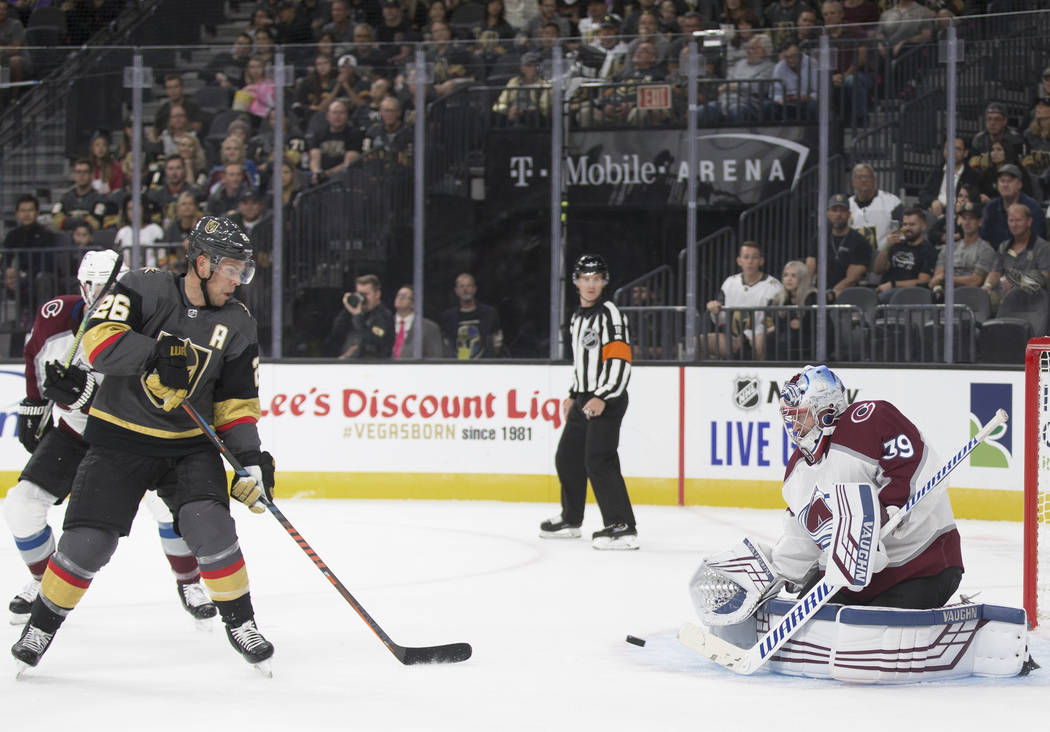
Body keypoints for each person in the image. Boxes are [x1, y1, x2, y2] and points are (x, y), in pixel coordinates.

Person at [11, 216, 277, 672]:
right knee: (87, 543)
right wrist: (156, 353)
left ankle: (243, 622)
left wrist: (250, 458)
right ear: (202, 263)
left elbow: (235, 403)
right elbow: (97, 341)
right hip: (118, 441)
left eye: (243, 271)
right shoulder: (143, 287)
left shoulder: (238, 324)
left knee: (209, 527)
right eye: (232, 269)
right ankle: (41, 626)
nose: (238, 280)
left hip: (189, 448)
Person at [4, 250, 216, 628]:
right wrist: (34, 403)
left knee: (168, 510)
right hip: (73, 434)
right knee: (22, 503)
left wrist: (87, 397)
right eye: (95, 286)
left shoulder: (146, 320)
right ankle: (43, 580)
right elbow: (34, 354)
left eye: (111, 287)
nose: (102, 294)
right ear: (82, 285)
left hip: (130, 437)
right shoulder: (55, 316)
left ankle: (189, 582)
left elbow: (145, 397)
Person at [772, 364, 963, 608]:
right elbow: (802, 537)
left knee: (880, 628)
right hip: (851, 580)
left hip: (921, 566)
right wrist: (778, 574)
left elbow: (918, 469)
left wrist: (880, 520)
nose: (795, 427)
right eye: (790, 418)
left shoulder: (872, 421)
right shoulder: (797, 472)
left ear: (826, 411)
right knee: (809, 621)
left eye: (801, 415)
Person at [539, 254, 637, 550]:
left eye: (596, 278)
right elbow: (583, 364)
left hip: (608, 398)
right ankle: (571, 519)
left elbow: (620, 361)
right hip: (585, 398)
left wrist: (603, 396)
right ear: (576, 282)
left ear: (604, 281)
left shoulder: (610, 314)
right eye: (585, 278)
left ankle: (622, 527)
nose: (591, 284)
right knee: (567, 457)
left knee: (599, 459)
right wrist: (573, 393)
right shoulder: (577, 317)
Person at [704, 241, 783, 360]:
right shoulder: (730, 282)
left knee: (760, 343)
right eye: (746, 257)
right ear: (739, 260)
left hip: (759, 338)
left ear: (761, 261)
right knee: (699, 342)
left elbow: (772, 321)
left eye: (754, 257)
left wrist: (750, 336)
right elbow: (720, 320)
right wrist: (714, 310)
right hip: (731, 339)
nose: (750, 261)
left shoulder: (774, 286)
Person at [982, 202, 1050, 307]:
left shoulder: (1042, 247)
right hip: (1004, 301)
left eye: (1018, 220)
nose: (1014, 224)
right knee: (980, 299)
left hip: (1032, 303)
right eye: (1011, 220)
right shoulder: (1004, 246)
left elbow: (1045, 277)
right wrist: (987, 285)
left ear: (1029, 221)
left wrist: (1019, 283)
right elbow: (996, 272)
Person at [805, 193, 871, 299]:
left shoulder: (860, 241)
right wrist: (807, 291)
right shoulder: (819, 237)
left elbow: (852, 279)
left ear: (849, 214)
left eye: (842, 210)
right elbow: (809, 268)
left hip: (847, 294)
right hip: (819, 292)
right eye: (834, 210)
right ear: (828, 213)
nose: (838, 214)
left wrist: (829, 295)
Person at [929, 202, 996, 299]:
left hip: (972, 297)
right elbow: (937, 277)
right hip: (946, 296)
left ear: (980, 222)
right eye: (964, 218)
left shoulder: (986, 250)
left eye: (971, 218)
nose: (967, 222)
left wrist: (945, 278)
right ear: (960, 221)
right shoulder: (948, 248)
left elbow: (975, 280)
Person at [873, 207, 936, 302]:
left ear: (923, 226)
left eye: (912, 224)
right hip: (885, 290)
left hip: (911, 294)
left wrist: (893, 284)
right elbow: (877, 270)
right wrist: (886, 247)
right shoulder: (896, 245)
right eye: (905, 224)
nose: (907, 228)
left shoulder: (928, 250)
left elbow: (923, 281)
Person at [329, 273, 396, 360]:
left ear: (377, 294)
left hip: (374, 366)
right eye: (359, 294)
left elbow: (373, 341)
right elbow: (336, 332)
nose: (362, 299)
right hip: (349, 363)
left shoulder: (384, 316)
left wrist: (357, 316)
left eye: (366, 294)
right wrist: (347, 308)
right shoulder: (355, 312)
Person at [979, 163, 1045, 246]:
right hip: (995, 256)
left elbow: (1037, 243)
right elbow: (984, 238)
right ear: (997, 185)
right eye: (1002, 181)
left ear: (1019, 184)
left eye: (1009, 181)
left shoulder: (1032, 208)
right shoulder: (990, 207)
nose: (1005, 185)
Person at [442, 272, 503, 359]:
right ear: (456, 291)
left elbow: (497, 343)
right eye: (461, 286)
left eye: (469, 286)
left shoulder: (489, 313)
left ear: (475, 289)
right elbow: (446, 346)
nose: (465, 289)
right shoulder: (449, 316)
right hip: (458, 366)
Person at [767, 260, 817, 361]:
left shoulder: (812, 297)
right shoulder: (779, 298)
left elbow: (814, 322)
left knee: (789, 337)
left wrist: (801, 324)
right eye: (786, 275)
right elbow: (778, 322)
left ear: (802, 278)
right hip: (785, 336)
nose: (788, 279)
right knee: (772, 337)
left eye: (793, 276)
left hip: (809, 337)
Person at [847, 163, 903, 252]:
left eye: (867, 177)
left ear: (874, 180)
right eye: (859, 177)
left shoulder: (892, 202)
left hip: (884, 257)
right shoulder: (847, 205)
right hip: (853, 259)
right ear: (853, 182)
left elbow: (900, 233)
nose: (863, 180)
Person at [308, 98, 364, 186]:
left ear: (347, 116)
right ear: (328, 116)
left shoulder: (354, 134)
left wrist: (326, 174)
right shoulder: (319, 134)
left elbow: (348, 163)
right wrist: (317, 173)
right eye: (334, 112)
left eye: (341, 113)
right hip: (321, 179)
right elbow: (314, 158)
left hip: (344, 179)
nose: (337, 116)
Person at [392, 284, 443, 359]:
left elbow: (435, 357)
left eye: (403, 296)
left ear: (413, 303)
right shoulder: (385, 323)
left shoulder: (429, 328)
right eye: (398, 295)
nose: (399, 298)